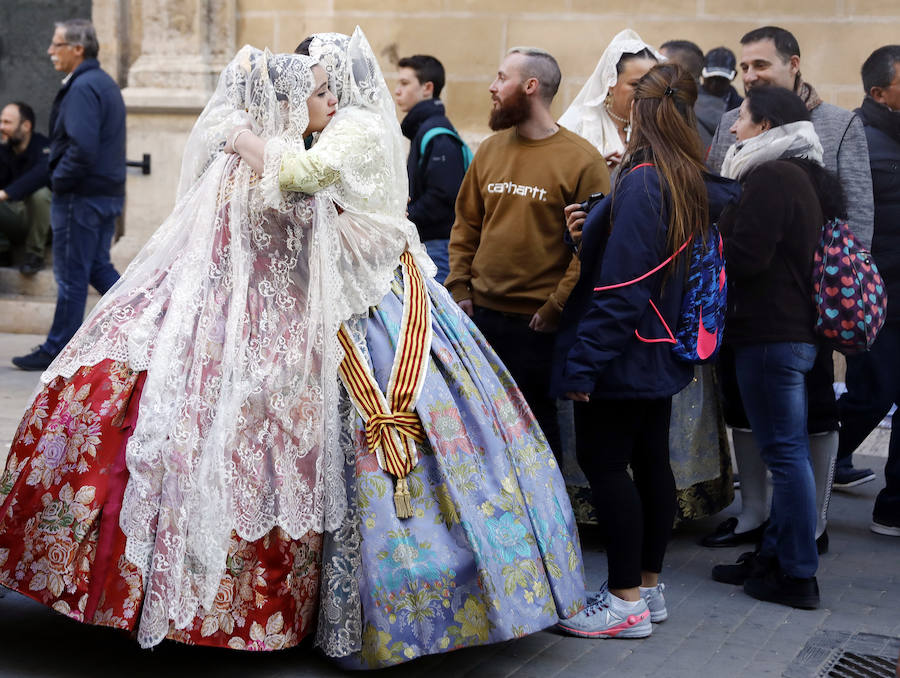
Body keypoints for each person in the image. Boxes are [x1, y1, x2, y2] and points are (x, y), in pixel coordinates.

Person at [1, 33, 585, 666]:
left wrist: (264, 154)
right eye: (318, 90)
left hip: (289, 311)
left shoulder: (280, 148)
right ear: (289, 99)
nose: (330, 100)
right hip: (261, 322)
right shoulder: (267, 164)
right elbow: (289, 225)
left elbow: (306, 213)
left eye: (332, 87)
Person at [553, 63, 740, 638]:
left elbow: (621, 286)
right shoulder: (684, 173)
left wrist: (583, 362)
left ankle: (623, 600)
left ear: (641, 109)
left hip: (624, 350)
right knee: (652, 462)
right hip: (660, 346)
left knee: (607, 466)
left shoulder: (645, 178)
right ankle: (649, 589)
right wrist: (590, 232)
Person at [702, 25, 873, 551]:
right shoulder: (733, 122)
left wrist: (833, 293)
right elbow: (719, 196)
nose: (749, 76)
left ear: (792, 64)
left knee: (811, 416)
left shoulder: (838, 124)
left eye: (761, 66)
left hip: (801, 301)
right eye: (744, 68)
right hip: (749, 313)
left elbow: (855, 219)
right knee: (746, 410)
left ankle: (806, 529)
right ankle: (755, 514)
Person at [709, 86, 846, 609]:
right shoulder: (798, 175)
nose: (732, 127)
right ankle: (775, 558)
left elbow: (747, 258)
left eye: (740, 117)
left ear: (764, 125)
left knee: (785, 456)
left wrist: (716, 234)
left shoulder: (770, 176)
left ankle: (795, 573)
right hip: (788, 335)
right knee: (786, 454)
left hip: (770, 335)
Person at [447, 46, 609, 465]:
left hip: (537, 326)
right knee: (481, 426)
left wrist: (556, 306)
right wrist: (460, 285)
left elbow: (593, 246)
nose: (492, 87)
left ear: (530, 86)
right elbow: (466, 224)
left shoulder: (582, 159)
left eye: (502, 78)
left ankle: (548, 524)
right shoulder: (489, 150)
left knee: (535, 430)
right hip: (479, 317)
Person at [12, 19, 125, 371]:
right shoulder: (102, 82)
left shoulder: (82, 87)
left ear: (78, 49)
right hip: (101, 195)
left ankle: (58, 350)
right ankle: (147, 323)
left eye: (56, 44)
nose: (49, 51)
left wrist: (59, 181)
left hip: (80, 197)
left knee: (72, 276)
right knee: (95, 268)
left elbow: (81, 148)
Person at [836, 45, 900, 533]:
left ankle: (893, 504)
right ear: (880, 92)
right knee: (871, 394)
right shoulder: (860, 138)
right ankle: (820, 454)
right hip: (879, 297)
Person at [393, 54, 466, 282]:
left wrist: (402, 219)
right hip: (430, 246)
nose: (397, 91)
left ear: (428, 88)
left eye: (405, 83)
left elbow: (443, 196)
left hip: (438, 248)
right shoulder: (424, 130)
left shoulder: (437, 134)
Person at [559, 28, 661, 171]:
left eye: (651, 85)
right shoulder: (581, 123)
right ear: (610, 83)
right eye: (635, 84)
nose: (644, 92)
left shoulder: (661, 124)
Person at [0, 101, 51, 275]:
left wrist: (6, 193)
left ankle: (34, 256)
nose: (1, 127)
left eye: (7, 123)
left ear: (26, 125)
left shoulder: (45, 147)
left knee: (41, 194)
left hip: (47, 225)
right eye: (1, 122)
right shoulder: (4, 151)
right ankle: (3, 250)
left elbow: (43, 173)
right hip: (16, 220)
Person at [697, 47, 743, 149]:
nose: (714, 85)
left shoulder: (742, 107)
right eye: (710, 79)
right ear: (701, 72)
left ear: (734, 75)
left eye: (721, 80)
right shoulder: (687, 100)